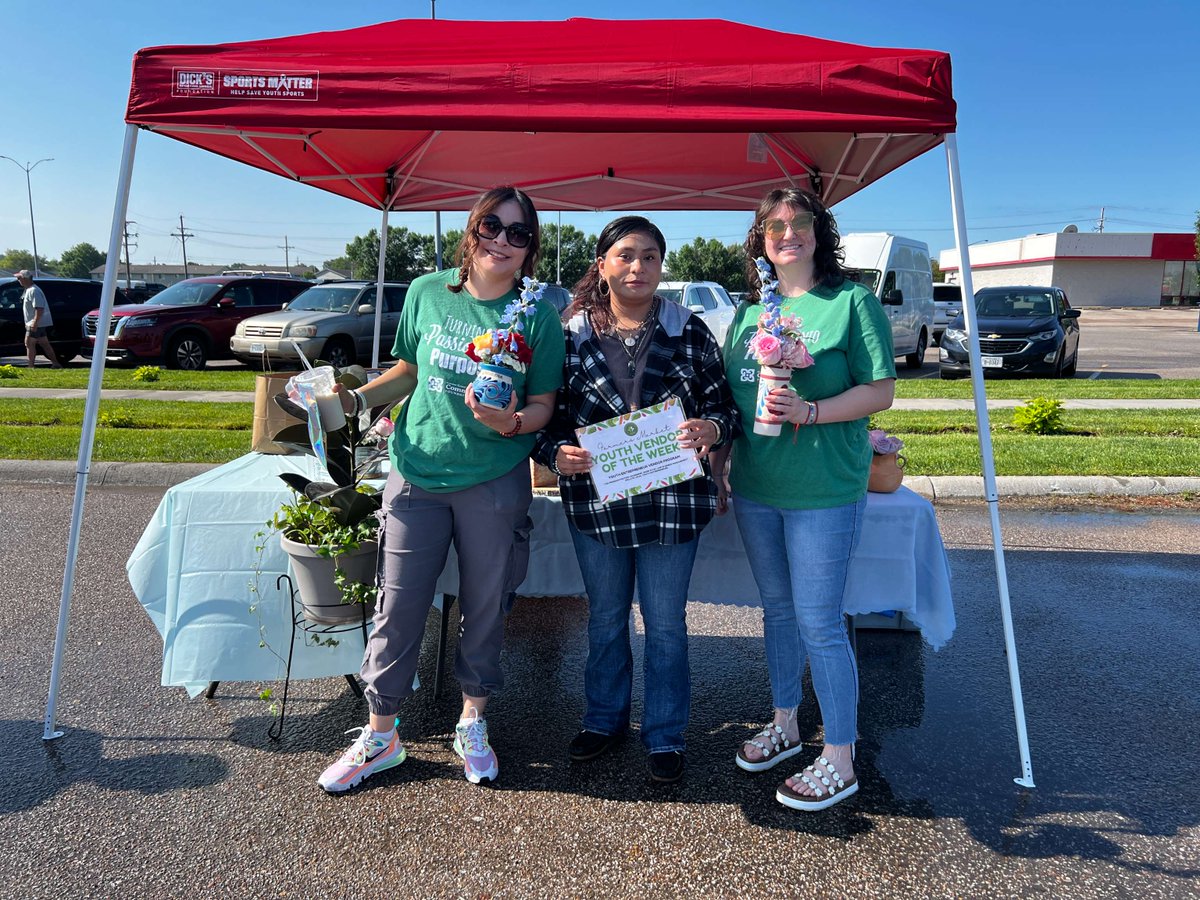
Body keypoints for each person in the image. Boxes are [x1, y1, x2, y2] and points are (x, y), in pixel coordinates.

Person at [316, 186, 566, 792]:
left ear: (530, 248)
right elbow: (406, 370)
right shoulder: (429, 292)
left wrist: (508, 423)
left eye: (518, 234)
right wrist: (354, 399)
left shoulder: (537, 313)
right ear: (471, 228)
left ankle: (472, 721)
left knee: (486, 604)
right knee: (398, 605)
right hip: (416, 472)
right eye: (492, 226)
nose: (502, 241)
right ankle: (381, 734)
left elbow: (543, 406)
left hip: (493, 480)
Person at [533, 216, 740, 784]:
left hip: (672, 502)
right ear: (601, 265)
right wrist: (558, 454)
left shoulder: (690, 331)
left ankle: (666, 734)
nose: (637, 267)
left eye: (649, 257)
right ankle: (603, 721)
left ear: (661, 265)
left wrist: (710, 432)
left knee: (667, 623)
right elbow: (544, 416)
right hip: (597, 504)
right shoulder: (568, 334)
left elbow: (725, 408)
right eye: (625, 256)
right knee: (604, 619)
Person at [714, 187, 896, 811]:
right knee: (779, 613)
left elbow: (880, 392)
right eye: (774, 226)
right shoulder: (747, 314)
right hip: (758, 487)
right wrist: (718, 466)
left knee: (820, 622)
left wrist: (812, 410)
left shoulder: (851, 302)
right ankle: (787, 724)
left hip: (824, 490)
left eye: (799, 223)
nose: (786, 234)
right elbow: (732, 402)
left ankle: (840, 756)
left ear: (820, 233)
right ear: (760, 240)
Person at [15, 270, 61, 368]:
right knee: (45, 344)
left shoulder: (34, 291)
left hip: (35, 323)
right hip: (36, 323)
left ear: (25, 278)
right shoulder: (29, 289)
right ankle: (56, 363)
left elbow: (39, 308)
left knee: (28, 343)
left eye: (19, 278)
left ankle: (31, 366)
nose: (17, 280)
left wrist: (34, 323)